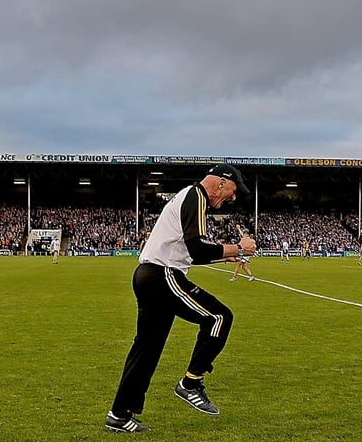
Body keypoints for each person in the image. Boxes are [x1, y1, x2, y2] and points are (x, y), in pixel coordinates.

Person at [105, 164, 256, 433]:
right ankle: (191, 383)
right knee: (219, 317)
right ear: (221, 183)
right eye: (232, 191)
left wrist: (225, 254)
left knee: (146, 349)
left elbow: (187, 250)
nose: (232, 198)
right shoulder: (197, 196)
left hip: (147, 275)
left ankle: (119, 414)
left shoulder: (188, 196)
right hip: (162, 276)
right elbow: (196, 249)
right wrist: (238, 247)